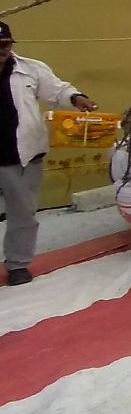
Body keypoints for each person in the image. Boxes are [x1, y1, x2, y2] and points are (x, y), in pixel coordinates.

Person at [0, 21, 98, 286]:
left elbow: (58, 90)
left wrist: (77, 98)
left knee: (23, 215)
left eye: (6, 45)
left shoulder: (30, 69)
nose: (2, 50)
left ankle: (18, 265)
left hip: (23, 156)